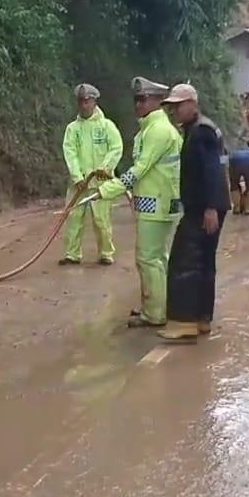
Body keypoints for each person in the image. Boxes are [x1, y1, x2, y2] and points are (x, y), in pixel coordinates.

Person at [94, 77, 182, 328]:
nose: (138, 104)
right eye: (136, 99)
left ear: (158, 101)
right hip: (154, 202)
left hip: (159, 203)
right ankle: (156, 305)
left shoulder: (159, 131)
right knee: (155, 258)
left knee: (149, 259)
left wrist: (108, 190)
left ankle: (155, 313)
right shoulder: (150, 128)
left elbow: (139, 170)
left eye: (143, 99)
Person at [156, 84, 230, 341]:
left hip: (204, 208)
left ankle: (183, 322)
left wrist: (210, 207)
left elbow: (213, 170)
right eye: (172, 107)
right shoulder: (200, 128)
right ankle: (202, 318)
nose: (174, 111)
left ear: (192, 103)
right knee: (204, 263)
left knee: (184, 262)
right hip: (208, 206)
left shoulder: (201, 132)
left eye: (178, 106)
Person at [60, 83, 124, 266]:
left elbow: (116, 148)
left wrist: (106, 167)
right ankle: (72, 254)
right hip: (78, 185)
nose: (83, 105)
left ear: (94, 101)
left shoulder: (107, 126)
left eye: (87, 101)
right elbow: (70, 153)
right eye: (80, 101)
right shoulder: (72, 129)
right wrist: (77, 177)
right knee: (73, 219)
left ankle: (106, 253)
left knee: (101, 220)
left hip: (100, 184)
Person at [228, 105, 249, 215]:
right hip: (248, 157)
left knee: (234, 183)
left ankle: (236, 207)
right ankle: (248, 208)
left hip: (233, 156)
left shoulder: (228, 125)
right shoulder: (248, 123)